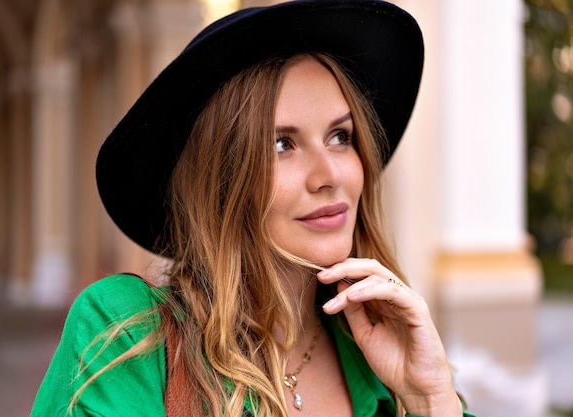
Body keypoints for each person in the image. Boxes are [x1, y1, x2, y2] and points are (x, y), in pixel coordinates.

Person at [31, 1, 476, 416]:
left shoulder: (385, 361)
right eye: (282, 144)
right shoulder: (128, 335)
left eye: (340, 137)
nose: (329, 175)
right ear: (220, 181)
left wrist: (430, 397)